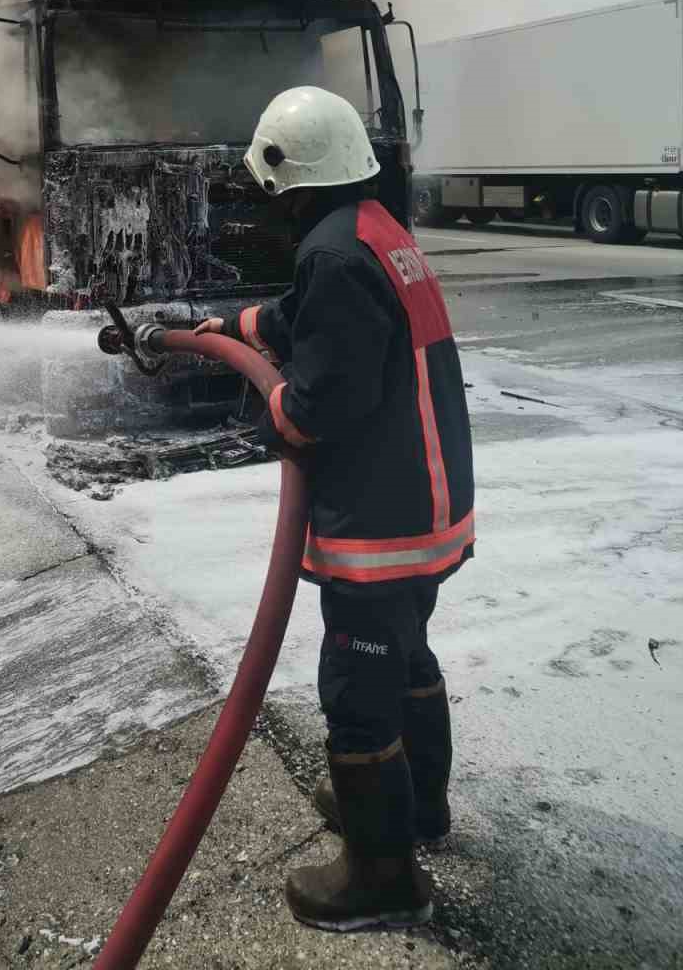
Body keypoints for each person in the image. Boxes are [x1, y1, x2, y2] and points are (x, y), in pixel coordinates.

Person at [194, 85, 474, 932]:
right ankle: (414, 809)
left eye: (269, 187)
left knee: (355, 688)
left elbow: (321, 405)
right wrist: (230, 327)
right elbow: (307, 319)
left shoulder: (333, 254)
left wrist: (272, 407)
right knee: (405, 659)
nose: (266, 204)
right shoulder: (374, 234)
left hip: (382, 522)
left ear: (291, 178)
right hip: (426, 506)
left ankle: (382, 877)